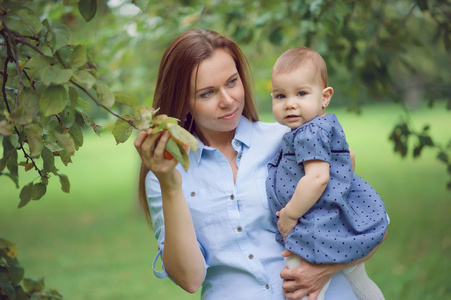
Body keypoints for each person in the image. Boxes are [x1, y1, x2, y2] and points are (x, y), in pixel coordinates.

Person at [134, 29, 383, 300]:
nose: (227, 101)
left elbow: (365, 228)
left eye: (232, 82)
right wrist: (170, 186)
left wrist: (322, 270)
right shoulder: (166, 174)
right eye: (207, 94)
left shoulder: (291, 140)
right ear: (183, 101)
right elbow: (190, 279)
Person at [266, 47, 388, 300]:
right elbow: (349, 158)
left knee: (301, 284)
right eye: (280, 96)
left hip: (315, 224)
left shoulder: (309, 132)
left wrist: (289, 215)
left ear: (325, 97)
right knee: (358, 278)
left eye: (301, 93)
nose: (290, 103)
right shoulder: (322, 126)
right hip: (332, 217)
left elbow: (318, 177)